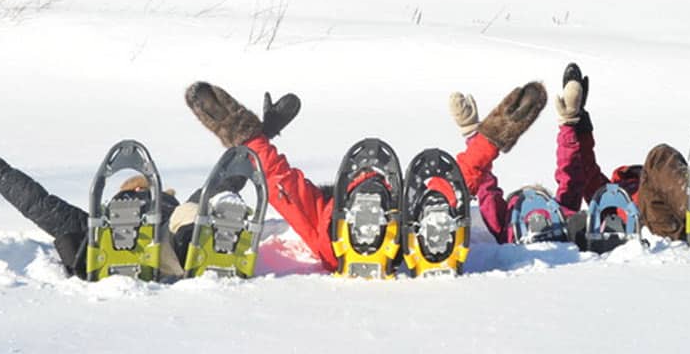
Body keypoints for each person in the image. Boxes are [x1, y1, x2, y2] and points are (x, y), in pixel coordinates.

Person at [183, 77, 545, 272]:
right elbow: (455, 183)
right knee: (438, 201)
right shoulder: (400, 227)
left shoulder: (324, 224)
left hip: (340, 239)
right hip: (375, 232)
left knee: (438, 200)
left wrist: (241, 132)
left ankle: (361, 225)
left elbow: (280, 183)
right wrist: (493, 137)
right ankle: (376, 220)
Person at [0, 104, 286, 281]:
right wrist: (263, 136)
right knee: (200, 209)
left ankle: (128, 237)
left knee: (200, 207)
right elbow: (233, 174)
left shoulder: (97, 217)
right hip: (173, 248)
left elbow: (37, 204)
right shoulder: (175, 206)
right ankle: (211, 244)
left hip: (120, 244)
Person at [545, 63, 690, 243]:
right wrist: (574, 124)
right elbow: (582, 172)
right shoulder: (613, 197)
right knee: (659, 156)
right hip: (658, 222)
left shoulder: (650, 182)